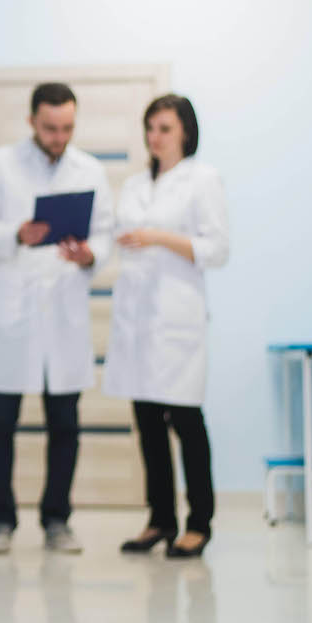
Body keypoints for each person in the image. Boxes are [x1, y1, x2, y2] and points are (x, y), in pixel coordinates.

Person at [0, 82, 113, 555]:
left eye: (67, 127)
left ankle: (56, 520)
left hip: (63, 312)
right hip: (11, 313)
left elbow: (106, 232)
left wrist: (89, 254)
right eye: (50, 127)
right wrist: (17, 233)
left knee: (65, 424)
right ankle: (0, 522)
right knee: (0, 425)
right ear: (32, 122)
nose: (58, 136)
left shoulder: (89, 169)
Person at [104, 94, 229, 559]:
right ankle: (159, 519)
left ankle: (199, 523)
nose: (155, 137)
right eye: (150, 128)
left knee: (186, 422)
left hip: (177, 321)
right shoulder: (136, 184)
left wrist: (158, 237)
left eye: (165, 129)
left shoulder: (203, 179)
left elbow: (217, 249)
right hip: (137, 319)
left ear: (186, 133)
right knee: (148, 425)